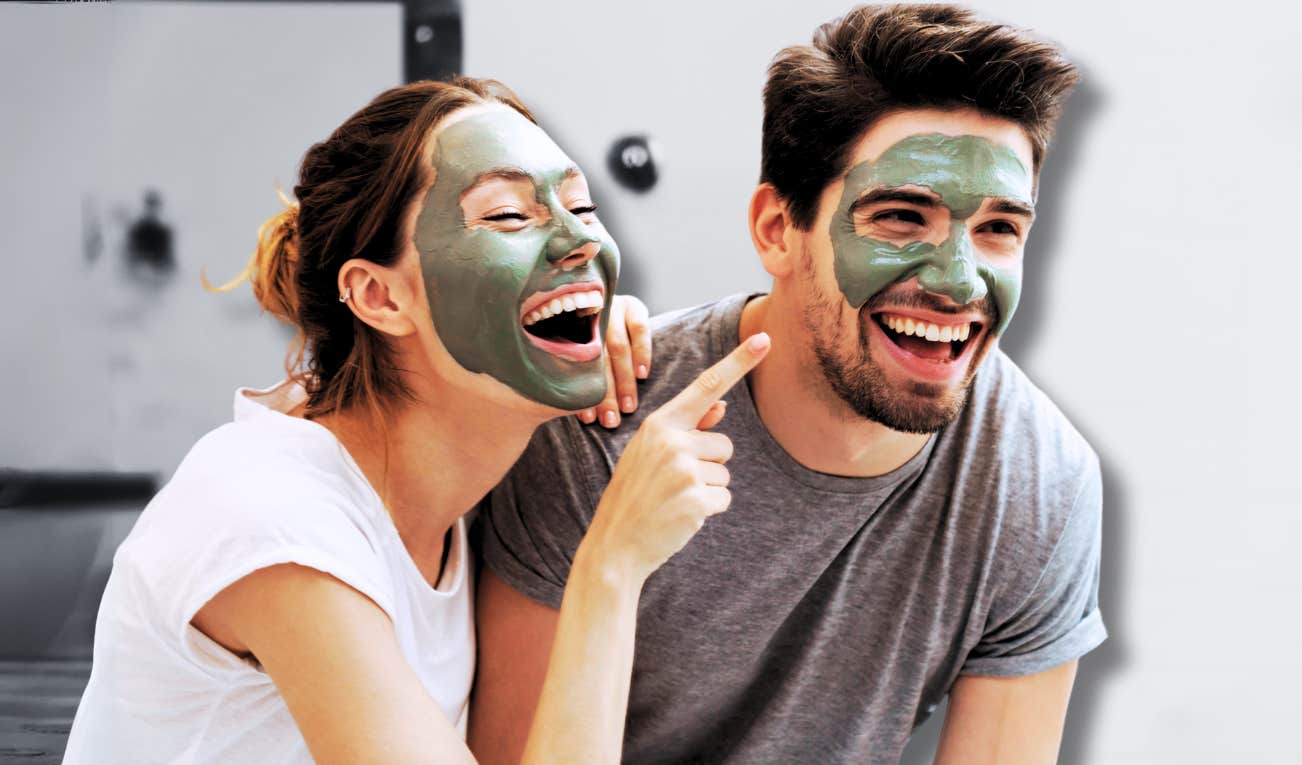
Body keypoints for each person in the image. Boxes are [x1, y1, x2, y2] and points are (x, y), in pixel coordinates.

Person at [62, 76, 771, 764]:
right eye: (509, 216)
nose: (578, 242)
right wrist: (611, 565)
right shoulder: (270, 517)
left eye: (583, 210)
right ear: (378, 295)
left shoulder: (452, 485)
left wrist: (581, 329)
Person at [470, 5, 1104, 764]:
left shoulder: (1038, 483)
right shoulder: (601, 430)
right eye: (902, 217)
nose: (960, 282)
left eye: (1000, 228)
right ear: (776, 229)